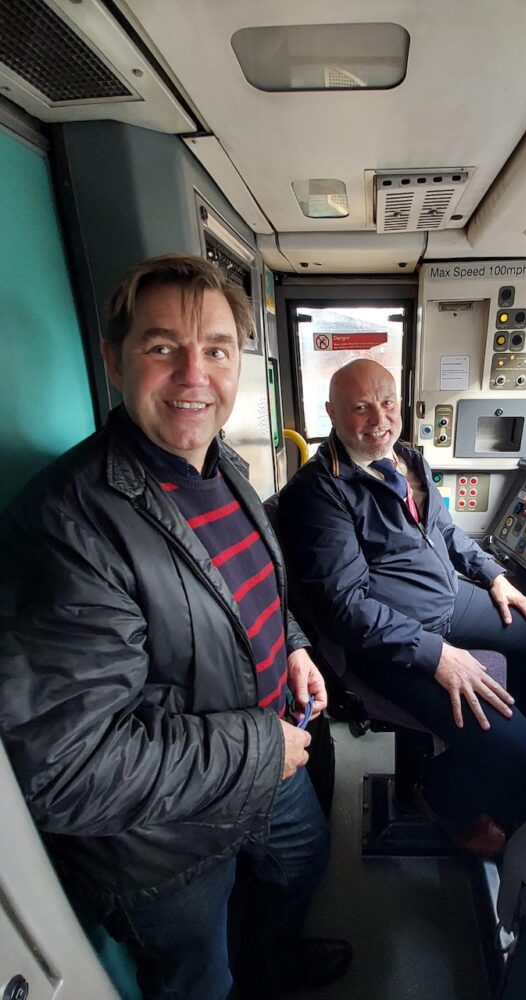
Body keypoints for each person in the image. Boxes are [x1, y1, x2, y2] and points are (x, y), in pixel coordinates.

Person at [0, 255, 350, 1000]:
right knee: (201, 979)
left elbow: (248, 595)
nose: (195, 375)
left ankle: (274, 966)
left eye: (217, 350)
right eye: (163, 347)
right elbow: (69, 767)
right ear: (113, 362)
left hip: (265, 768)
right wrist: (262, 746)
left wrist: (292, 646)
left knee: (301, 868)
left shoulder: (224, 468)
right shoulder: (68, 524)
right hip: (163, 844)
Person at [277, 359, 526, 851]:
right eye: (360, 408)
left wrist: (495, 577)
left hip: (453, 599)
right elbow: (347, 609)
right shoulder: (319, 492)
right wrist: (437, 654)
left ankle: (523, 777)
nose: (379, 419)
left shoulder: (409, 457)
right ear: (331, 412)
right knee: (521, 750)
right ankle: (438, 792)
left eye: (387, 403)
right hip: (392, 641)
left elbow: (447, 533)